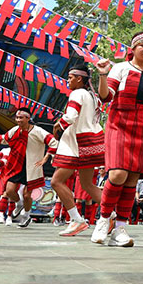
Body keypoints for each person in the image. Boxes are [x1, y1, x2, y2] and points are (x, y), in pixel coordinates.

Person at [92, 32, 143, 247]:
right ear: (133, 48)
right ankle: (103, 221)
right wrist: (102, 75)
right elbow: (106, 96)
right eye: (142, 45)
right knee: (118, 174)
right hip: (119, 125)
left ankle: (120, 228)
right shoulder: (121, 68)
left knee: (131, 180)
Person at [0, 107, 58, 228]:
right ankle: (18, 203)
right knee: (10, 190)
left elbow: (53, 142)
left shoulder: (38, 131)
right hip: (16, 165)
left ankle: (26, 216)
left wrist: (46, 157)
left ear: (28, 118)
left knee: (27, 195)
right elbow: (4, 139)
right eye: (17, 117)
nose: (18, 120)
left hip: (32, 167)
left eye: (21, 117)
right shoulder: (15, 130)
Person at [51, 67, 105, 238]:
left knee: (56, 181)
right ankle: (111, 215)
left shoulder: (77, 94)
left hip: (75, 144)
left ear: (80, 79)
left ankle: (77, 220)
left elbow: (71, 116)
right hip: (91, 142)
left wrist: (57, 125)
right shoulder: (92, 96)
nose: (68, 80)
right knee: (88, 184)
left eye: (70, 77)